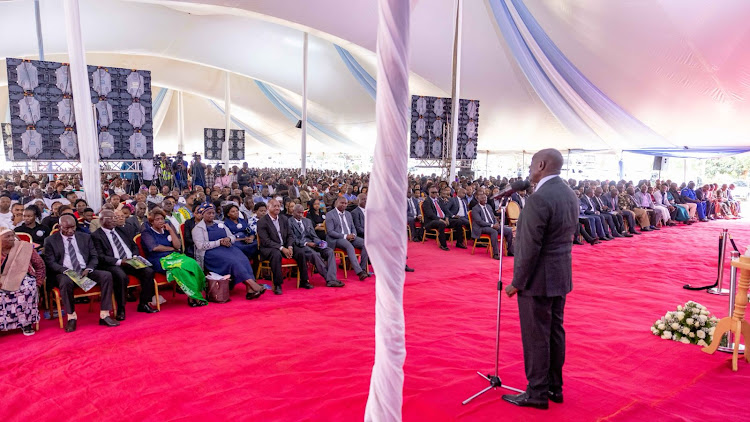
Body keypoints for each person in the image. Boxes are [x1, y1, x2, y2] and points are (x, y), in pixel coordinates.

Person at [503, 149, 579, 409]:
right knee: (555, 333)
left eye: (532, 164)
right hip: (560, 275)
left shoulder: (538, 199)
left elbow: (530, 247)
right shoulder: (569, 193)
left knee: (536, 336)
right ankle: (555, 388)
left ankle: (536, 393)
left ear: (542, 164)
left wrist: (517, 282)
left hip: (537, 280)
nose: (529, 169)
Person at [42, 215, 119, 332]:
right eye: (67, 228)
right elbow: (50, 262)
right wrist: (66, 271)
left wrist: (89, 269)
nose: (71, 230)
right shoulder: (50, 241)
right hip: (64, 272)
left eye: (73, 227)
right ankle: (71, 317)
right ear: (59, 227)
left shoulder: (85, 237)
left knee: (106, 275)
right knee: (65, 281)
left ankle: (105, 314)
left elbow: (94, 256)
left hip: (84, 270)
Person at [92, 210, 158, 320]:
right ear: (101, 220)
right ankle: (121, 308)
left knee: (148, 272)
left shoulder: (122, 230)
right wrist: (119, 261)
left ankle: (143, 304)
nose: (114, 219)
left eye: (115, 217)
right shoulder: (96, 235)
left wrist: (135, 256)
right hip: (113, 264)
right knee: (121, 276)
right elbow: (100, 256)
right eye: (111, 218)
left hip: (130, 261)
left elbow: (133, 246)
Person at [193, 203, 266, 300]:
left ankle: (250, 290)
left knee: (243, 258)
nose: (211, 215)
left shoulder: (220, 223)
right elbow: (201, 246)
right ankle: (253, 284)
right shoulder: (198, 228)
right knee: (233, 261)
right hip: (211, 253)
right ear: (202, 214)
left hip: (227, 248)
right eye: (208, 213)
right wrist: (219, 242)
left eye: (212, 213)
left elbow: (232, 236)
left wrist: (228, 239)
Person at [141, 207, 207, 306]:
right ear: (151, 222)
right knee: (181, 269)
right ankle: (195, 297)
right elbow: (155, 247)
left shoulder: (167, 230)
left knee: (192, 263)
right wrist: (171, 249)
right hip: (159, 259)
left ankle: (192, 296)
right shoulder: (147, 232)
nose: (160, 221)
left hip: (174, 256)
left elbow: (178, 246)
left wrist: (171, 230)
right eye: (157, 219)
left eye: (162, 219)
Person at [257, 199, 311, 295]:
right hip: (269, 248)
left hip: (285, 246)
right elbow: (266, 241)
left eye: (278, 206)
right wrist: (282, 248)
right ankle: (277, 284)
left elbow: (290, 235)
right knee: (276, 254)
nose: (277, 208)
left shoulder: (283, 219)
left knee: (300, 251)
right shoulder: (262, 221)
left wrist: (290, 246)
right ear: (268, 208)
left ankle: (304, 280)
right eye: (274, 206)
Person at [0, 226, 45, 336]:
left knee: (27, 288)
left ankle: (26, 323)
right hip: (2, 279)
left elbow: (40, 265)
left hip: (24, 276)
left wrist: (38, 283)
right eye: (8, 236)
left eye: (13, 235)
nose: (12, 238)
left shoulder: (24, 248)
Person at [289, 204, 344, 287]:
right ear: (293, 212)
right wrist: (306, 243)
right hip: (301, 245)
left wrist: (319, 242)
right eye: (298, 213)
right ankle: (330, 279)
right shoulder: (289, 222)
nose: (300, 215)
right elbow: (292, 238)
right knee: (315, 255)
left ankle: (332, 277)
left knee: (329, 251)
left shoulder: (307, 221)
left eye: (301, 213)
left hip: (312, 243)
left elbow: (314, 236)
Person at [325, 197, 370, 281]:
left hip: (350, 237)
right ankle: (359, 272)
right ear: (336, 203)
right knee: (349, 246)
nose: (344, 205)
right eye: (341, 203)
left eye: (345, 203)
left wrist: (353, 235)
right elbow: (330, 232)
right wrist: (346, 236)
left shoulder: (348, 214)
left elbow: (353, 227)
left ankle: (363, 269)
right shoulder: (330, 214)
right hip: (337, 239)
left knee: (366, 244)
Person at [471, 192, 513, 259]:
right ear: (478, 200)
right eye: (482, 198)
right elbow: (479, 222)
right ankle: (495, 253)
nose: (484, 199)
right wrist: (492, 225)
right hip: (481, 227)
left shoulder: (488, 206)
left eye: (485, 198)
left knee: (508, 230)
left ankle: (510, 251)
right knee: (494, 231)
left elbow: (493, 217)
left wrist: (496, 223)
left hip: (492, 225)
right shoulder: (475, 209)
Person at [422, 186, 451, 251]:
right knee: (441, 224)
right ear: (429, 193)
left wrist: (446, 218)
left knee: (458, 222)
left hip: (442, 219)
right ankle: (443, 245)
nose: (435, 194)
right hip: (431, 221)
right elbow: (430, 214)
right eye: (433, 192)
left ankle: (459, 243)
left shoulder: (439, 200)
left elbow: (446, 211)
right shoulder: (427, 201)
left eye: (436, 192)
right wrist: (439, 219)